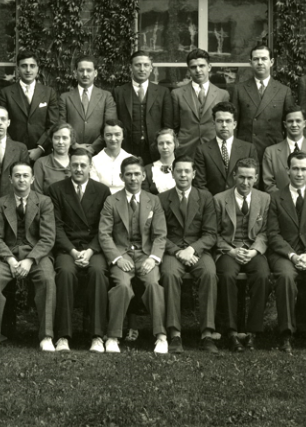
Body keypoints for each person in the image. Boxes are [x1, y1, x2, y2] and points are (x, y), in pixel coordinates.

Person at [0, 162, 58, 352]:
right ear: (10, 179)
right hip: (8, 254)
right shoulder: (0, 203)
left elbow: (48, 238)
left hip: (36, 254)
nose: (21, 179)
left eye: (25, 175)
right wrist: (10, 260)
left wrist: (30, 260)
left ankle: (47, 336)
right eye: (17, 175)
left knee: (48, 279)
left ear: (32, 179)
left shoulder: (44, 202)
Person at [99, 157, 168, 354]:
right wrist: (118, 258)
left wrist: (153, 258)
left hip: (146, 255)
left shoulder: (153, 200)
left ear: (144, 175)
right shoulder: (112, 201)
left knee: (154, 284)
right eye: (128, 174)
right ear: (121, 176)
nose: (133, 178)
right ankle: (113, 336)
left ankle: (161, 336)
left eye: (137, 174)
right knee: (121, 285)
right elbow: (104, 234)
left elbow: (160, 234)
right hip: (122, 255)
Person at [266, 150, 306, 353]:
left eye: (303, 169)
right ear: (288, 170)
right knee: (285, 277)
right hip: (285, 253)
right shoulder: (276, 198)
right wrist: (292, 255)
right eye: (295, 168)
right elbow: (273, 235)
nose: (299, 173)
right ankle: (286, 333)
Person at [49, 148, 112, 353]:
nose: (78, 169)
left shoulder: (102, 191)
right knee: (65, 273)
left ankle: (96, 335)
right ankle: (63, 336)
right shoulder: (57, 190)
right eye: (74, 164)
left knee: (97, 272)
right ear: (69, 165)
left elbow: (104, 227)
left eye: (82, 165)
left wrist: (91, 251)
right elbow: (56, 227)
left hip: (94, 248)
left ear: (90, 166)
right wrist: (74, 252)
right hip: (68, 248)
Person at [158, 158, 219, 353]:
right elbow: (158, 234)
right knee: (169, 275)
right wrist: (177, 251)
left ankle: (207, 334)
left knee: (209, 273)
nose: (183, 175)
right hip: (172, 251)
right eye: (179, 171)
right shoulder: (162, 199)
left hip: (197, 251)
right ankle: (175, 333)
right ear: (172, 173)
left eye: (187, 171)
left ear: (194, 174)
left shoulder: (205, 197)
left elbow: (211, 234)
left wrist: (192, 249)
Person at [213, 158, 271, 351]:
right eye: (241, 177)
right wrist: (231, 250)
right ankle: (231, 332)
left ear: (256, 178)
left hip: (254, 250)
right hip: (229, 250)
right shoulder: (220, 199)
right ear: (234, 176)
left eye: (250, 178)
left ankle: (253, 331)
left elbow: (265, 231)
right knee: (227, 275)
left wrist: (254, 250)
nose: (245, 183)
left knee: (262, 275)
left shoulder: (264, 199)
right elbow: (214, 233)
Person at [231, 44, 297, 162]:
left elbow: (290, 125)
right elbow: (233, 124)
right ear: (250, 62)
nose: (260, 62)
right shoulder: (239, 89)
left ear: (271, 62)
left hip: (274, 149)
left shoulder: (283, 90)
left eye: (264, 59)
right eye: (256, 59)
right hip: (247, 149)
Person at [0, 50, 60, 162]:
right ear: (17, 69)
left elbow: (53, 125)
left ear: (37, 69)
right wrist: (14, 149)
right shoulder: (5, 93)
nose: (28, 70)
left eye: (32, 66)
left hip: (42, 155)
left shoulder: (49, 93)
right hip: (13, 154)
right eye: (24, 66)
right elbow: (2, 124)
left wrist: (40, 149)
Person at [112, 50, 173, 164]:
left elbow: (168, 125)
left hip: (154, 149)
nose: (142, 69)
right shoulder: (118, 92)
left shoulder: (162, 92)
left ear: (151, 68)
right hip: (127, 148)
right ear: (130, 67)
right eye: (137, 65)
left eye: (146, 65)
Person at [171, 48, 231, 160]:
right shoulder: (177, 94)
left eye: (202, 66)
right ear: (188, 69)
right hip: (186, 149)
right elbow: (175, 125)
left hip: (214, 149)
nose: (198, 70)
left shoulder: (223, 94)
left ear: (209, 67)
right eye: (193, 67)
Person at [193, 102, 257, 197]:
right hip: (212, 203)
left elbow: (255, 180)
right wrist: (213, 203)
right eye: (219, 121)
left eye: (228, 121)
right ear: (213, 124)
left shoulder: (248, 149)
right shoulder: (202, 150)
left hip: (240, 202)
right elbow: (200, 183)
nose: (224, 125)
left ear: (234, 124)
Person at [57, 55, 117, 154]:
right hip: (72, 152)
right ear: (75, 73)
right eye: (81, 70)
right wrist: (75, 145)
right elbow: (62, 126)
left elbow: (109, 126)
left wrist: (93, 147)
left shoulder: (106, 97)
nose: (85, 74)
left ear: (95, 73)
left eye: (89, 70)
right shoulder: (65, 98)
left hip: (99, 153)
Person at [261, 108, 306, 194]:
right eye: (290, 121)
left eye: (298, 121)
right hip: (281, 205)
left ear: (304, 123)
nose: (294, 124)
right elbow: (269, 184)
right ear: (285, 124)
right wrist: (285, 202)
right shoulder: (270, 152)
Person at [89, 120, 133, 194]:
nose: (113, 139)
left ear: (123, 136)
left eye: (117, 134)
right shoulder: (94, 161)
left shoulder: (131, 160)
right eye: (108, 135)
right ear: (103, 137)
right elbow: (95, 189)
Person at [32, 123, 74, 195]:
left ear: (71, 141)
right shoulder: (41, 163)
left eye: (64, 138)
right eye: (56, 138)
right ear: (51, 140)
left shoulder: (77, 163)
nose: (60, 142)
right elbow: (37, 196)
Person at [143, 128, 179, 195]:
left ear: (175, 144)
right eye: (161, 143)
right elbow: (145, 197)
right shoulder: (147, 170)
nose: (165, 147)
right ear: (156, 146)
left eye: (168, 143)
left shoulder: (185, 166)